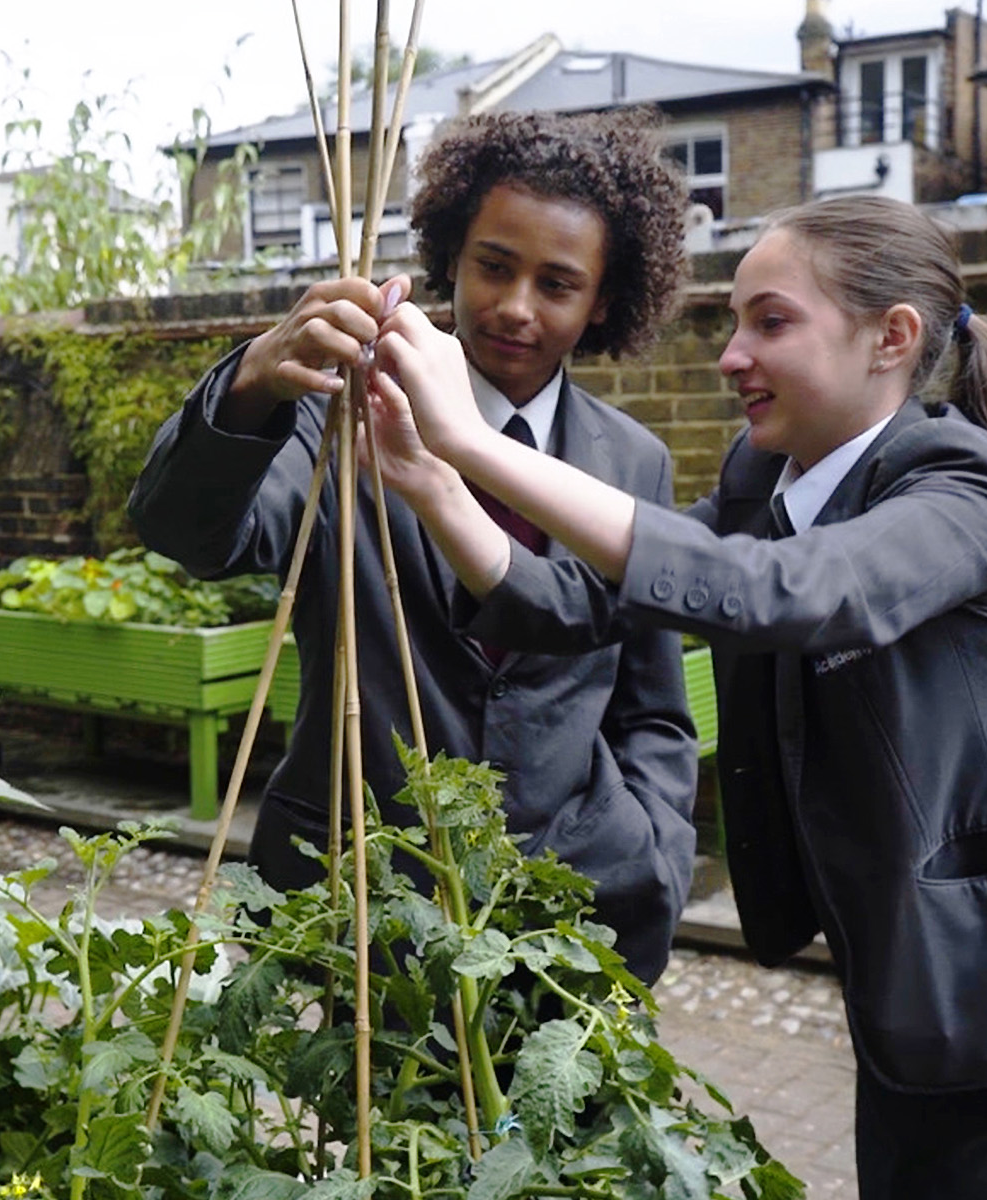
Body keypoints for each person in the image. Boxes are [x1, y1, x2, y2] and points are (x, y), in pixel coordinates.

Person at [364, 194, 987, 1199]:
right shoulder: (766, 480)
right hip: (906, 990)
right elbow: (568, 604)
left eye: (770, 321)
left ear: (892, 338)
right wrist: (431, 480)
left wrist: (479, 444)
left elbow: (787, 595)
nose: (731, 354)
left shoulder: (959, 483)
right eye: (734, 321)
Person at [127, 109, 700, 982]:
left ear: (602, 303)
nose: (514, 306)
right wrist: (251, 381)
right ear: (450, 258)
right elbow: (190, 534)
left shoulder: (634, 463)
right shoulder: (341, 418)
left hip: (568, 917)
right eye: (493, 267)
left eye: (556, 284)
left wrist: (653, 848)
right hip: (360, 910)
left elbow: (652, 708)